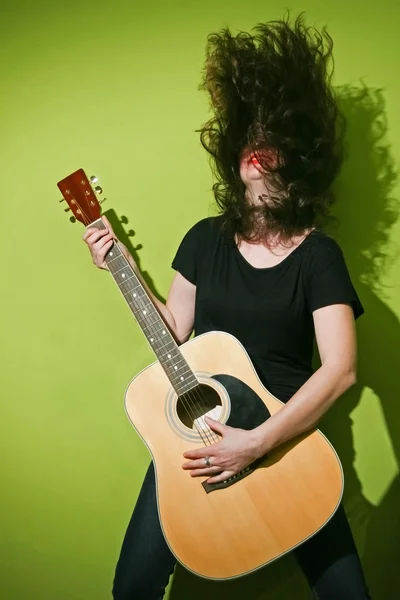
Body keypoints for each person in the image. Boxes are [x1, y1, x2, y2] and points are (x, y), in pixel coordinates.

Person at [83, 14, 371, 600]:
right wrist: (122, 267)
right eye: (250, 137)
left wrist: (258, 442)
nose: (259, 149)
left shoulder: (320, 256)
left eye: (275, 141)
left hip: (286, 445)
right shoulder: (203, 239)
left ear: (301, 157)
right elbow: (176, 332)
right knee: (131, 587)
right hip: (203, 439)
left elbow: (340, 370)